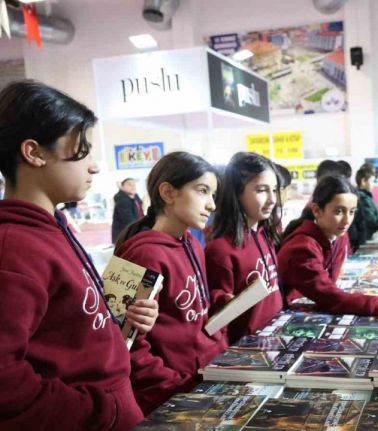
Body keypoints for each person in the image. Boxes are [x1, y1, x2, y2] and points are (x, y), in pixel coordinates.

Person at [0, 80, 158, 430]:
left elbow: (67, 325)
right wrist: (99, 410)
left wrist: (123, 321)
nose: (94, 166)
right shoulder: (14, 248)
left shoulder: (53, 228)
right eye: (82, 151)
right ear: (34, 153)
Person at [114, 151, 227, 415]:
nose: (211, 205)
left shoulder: (192, 243)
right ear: (168, 192)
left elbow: (192, 313)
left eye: (213, 195)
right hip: (169, 397)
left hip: (202, 379)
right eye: (202, 191)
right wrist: (174, 386)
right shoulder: (142, 254)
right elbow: (123, 342)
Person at [278, 175, 378, 320]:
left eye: (352, 212)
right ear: (316, 210)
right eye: (339, 211)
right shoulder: (302, 247)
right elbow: (328, 296)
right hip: (285, 312)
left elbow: (329, 287)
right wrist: (375, 304)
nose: (347, 220)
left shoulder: (339, 235)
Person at [206, 152, 284, 344]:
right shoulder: (221, 249)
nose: (272, 199)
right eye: (261, 190)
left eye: (274, 190)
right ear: (237, 193)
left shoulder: (264, 234)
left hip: (274, 336)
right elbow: (219, 316)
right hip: (245, 349)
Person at [355, 163, 378, 239]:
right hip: (367, 236)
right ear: (363, 181)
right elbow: (371, 220)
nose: (374, 184)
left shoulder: (364, 196)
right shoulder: (363, 198)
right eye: (372, 181)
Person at [112, 177, 144, 244]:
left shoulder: (135, 198)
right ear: (122, 187)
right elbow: (129, 221)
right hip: (125, 237)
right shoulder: (123, 201)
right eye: (129, 184)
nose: (133, 186)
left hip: (134, 233)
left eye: (134, 185)